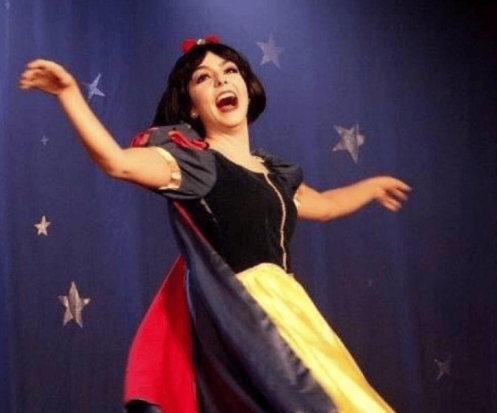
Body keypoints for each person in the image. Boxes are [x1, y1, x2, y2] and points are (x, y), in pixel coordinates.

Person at [20, 37, 410, 413]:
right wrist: (69, 93)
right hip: (246, 316)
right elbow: (117, 162)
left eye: (229, 71)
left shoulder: (273, 174)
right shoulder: (194, 165)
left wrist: (371, 187)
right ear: (192, 107)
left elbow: (325, 205)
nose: (221, 80)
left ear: (247, 87)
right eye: (203, 78)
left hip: (294, 313)